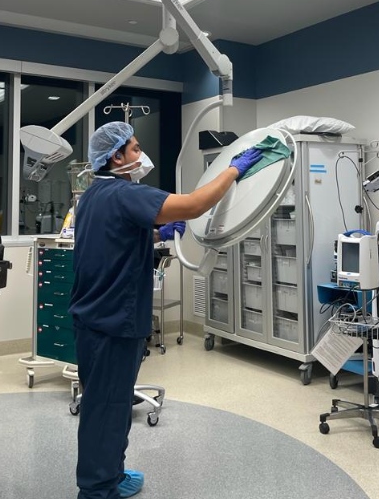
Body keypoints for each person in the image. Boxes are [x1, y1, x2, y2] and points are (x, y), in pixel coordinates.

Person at [69, 121, 263, 499]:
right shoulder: (123, 192)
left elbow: (115, 236)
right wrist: (234, 170)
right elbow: (193, 204)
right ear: (116, 156)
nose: (141, 156)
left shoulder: (93, 196)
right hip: (112, 321)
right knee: (106, 409)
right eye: (136, 149)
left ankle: (111, 473)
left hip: (95, 318)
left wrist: (157, 232)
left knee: (113, 402)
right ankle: (96, 490)